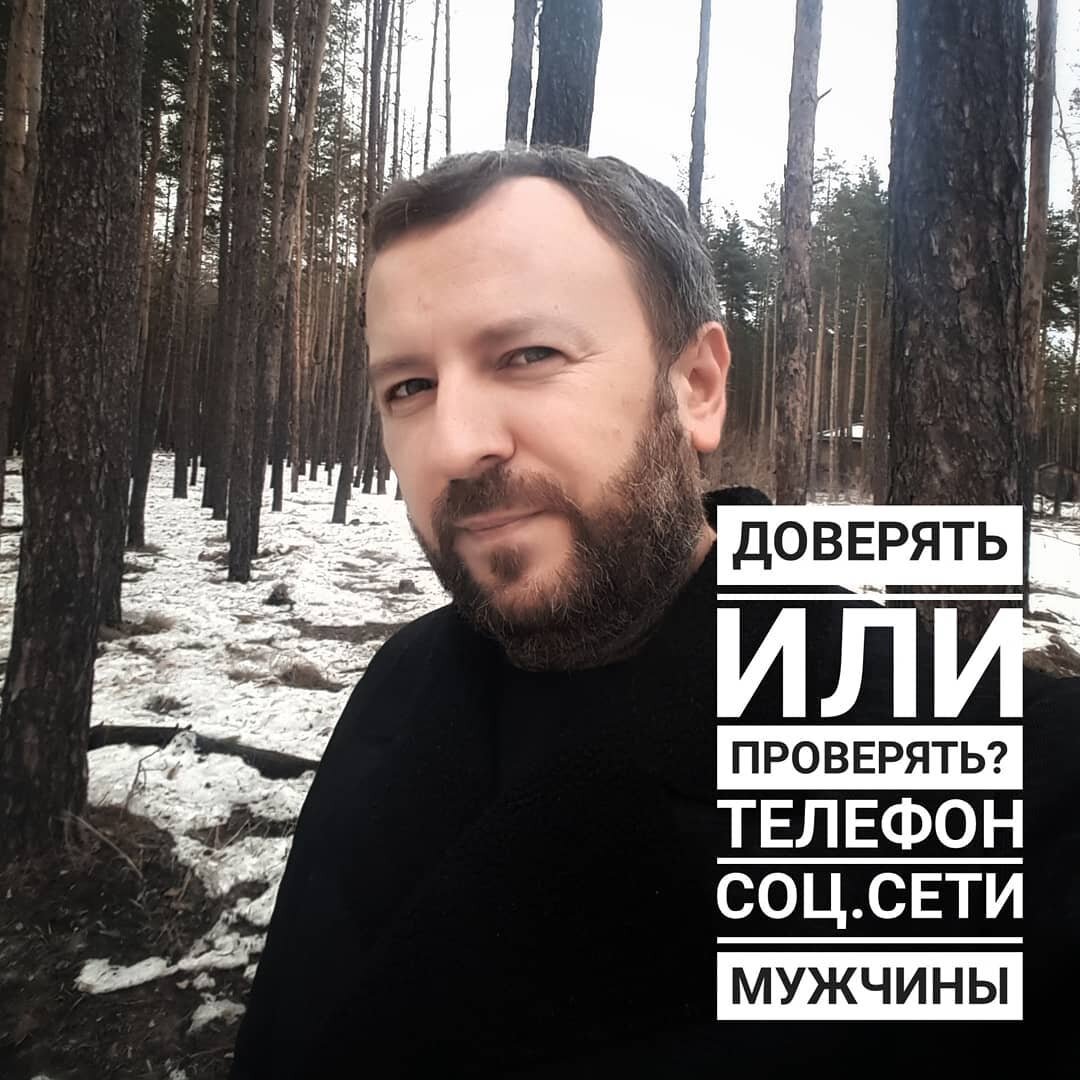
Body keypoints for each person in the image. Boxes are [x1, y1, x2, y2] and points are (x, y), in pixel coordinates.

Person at [232, 147, 1079, 1078]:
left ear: (697, 387)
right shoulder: (402, 680)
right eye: (410, 387)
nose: (456, 443)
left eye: (529, 355)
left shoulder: (979, 775)